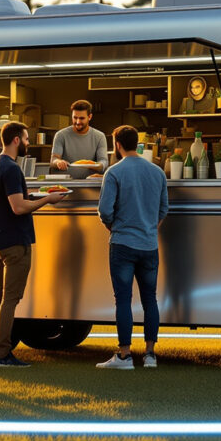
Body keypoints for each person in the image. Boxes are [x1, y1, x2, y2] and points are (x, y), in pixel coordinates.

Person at [0, 121, 67, 367]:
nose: (29, 143)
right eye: (27, 139)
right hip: (15, 242)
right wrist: (48, 200)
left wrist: (37, 195)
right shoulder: (10, 168)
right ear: (16, 140)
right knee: (10, 299)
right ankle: (3, 353)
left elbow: (13, 200)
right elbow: (18, 207)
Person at [96, 125, 170, 370]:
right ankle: (150, 354)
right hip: (149, 246)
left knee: (123, 300)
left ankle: (125, 355)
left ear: (117, 145)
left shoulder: (114, 173)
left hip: (122, 244)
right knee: (150, 299)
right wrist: (150, 228)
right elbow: (163, 209)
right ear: (136, 143)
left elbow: (105, 211)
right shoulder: (157, 172)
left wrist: (113, 227)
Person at [50, 99, 108, 172]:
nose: (77, 122)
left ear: (90, 117)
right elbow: (53, 159)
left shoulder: (100, 136)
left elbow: (103, 161)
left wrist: (97, 166)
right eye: (75, 117)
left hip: (89, 182)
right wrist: (58, 162)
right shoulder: (60, 135)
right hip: (65, 181)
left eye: (81, 118)